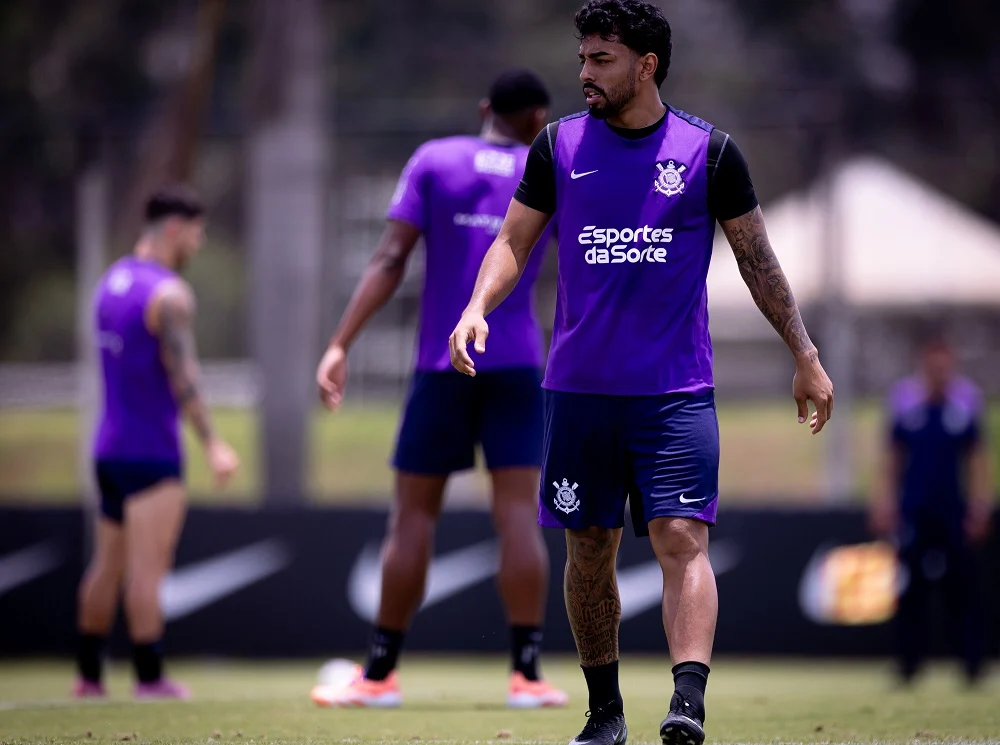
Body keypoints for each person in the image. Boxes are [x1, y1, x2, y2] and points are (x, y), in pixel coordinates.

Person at [448, 2, 834, 744]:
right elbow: (511, 244)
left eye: (601, 59)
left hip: (674, 393)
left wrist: (805, 353)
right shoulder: (557, 146)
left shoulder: (710, 152)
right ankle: (604, 712)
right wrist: (476, 305)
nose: (584, 72)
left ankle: (686, 701)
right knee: (588, 550)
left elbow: (759, 264)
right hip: (579, 392)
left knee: (681, 537)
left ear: (646, 64)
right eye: (583, 58)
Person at [312, 69, 568, 709]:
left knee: (413, 518)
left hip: (439, 362)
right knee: (517, 515)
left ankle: (377, 676)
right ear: (539, 118)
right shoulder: (553, 164)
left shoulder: (434, 160)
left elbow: (389, 259)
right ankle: (528, 676)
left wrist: (341, 343)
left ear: (484, 108)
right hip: (515, 363)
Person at [74, 185, 240, 700]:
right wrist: (213, 442)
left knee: (107, 566)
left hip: (107, 449)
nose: (200, 240)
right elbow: (183, 377)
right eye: (196, 231)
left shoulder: (111, 282)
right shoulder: (169, 295)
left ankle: (88, 677)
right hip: (151, 451)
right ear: (173, 229)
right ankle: (149, 679)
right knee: (148, 570)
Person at [870, 333, 993, 687]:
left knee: (964, 590)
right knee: (910, 591)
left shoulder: (966, 403)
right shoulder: (905, 403)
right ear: (924, 364)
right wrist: (885, 501)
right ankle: (908, 665)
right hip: (914, 511)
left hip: (953, 511)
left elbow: (977, 459)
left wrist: (980, 505)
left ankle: (972, 665)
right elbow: (893, 458)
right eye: (933, 364)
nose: (939, 370)